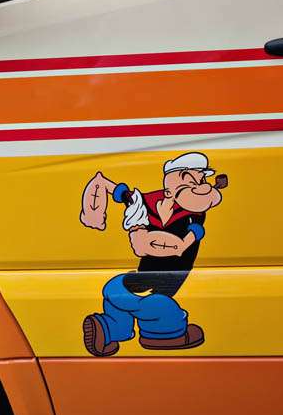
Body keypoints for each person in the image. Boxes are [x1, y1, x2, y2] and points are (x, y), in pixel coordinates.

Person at [79, 152, 226, 356]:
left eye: (202, 181)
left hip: (151, 279)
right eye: (193, 181)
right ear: (168, 191)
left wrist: (177, 242)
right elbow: (119, 192)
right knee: (161, 307)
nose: (202, 187)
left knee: (120, 298)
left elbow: (178, 246)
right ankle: (164, 336)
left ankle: (109, 328)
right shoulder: (145, 204)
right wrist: (99, 191)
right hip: (156, 281)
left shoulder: (193, 215)